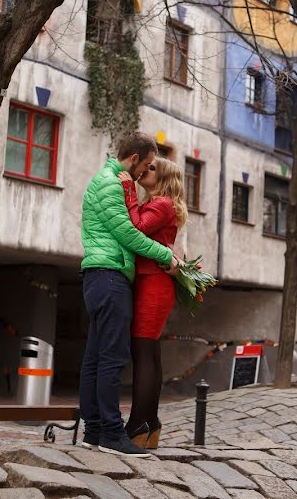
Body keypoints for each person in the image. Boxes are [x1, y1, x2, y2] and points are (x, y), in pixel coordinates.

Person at [79, 132, 179, 457]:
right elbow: (128, 232)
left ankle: (94, 431)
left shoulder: (111, 181)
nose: (145, 172)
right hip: (109, 276)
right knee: (111, 358)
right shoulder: (111, 183)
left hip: (102, 276)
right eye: (147, 165)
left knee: (96, 359)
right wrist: (167, 256)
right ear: (135, 159)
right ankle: (110, 432)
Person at [118, 157, 187, 449]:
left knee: (143, 353)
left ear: (165, 178)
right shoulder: (160, 204)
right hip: (153, 282)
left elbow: (136, 228)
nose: (146, 170)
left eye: (153, 169)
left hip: (153, 285)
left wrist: (128, 191)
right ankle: (150, 424)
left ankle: (137, 424)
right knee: (150, 354)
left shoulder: (162, 204)